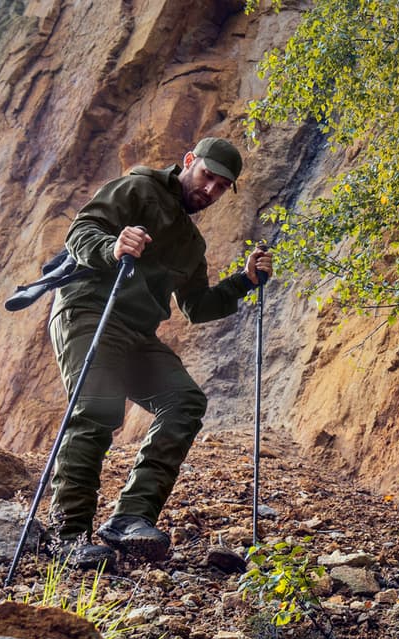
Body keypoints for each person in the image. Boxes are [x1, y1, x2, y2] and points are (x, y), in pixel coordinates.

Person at [46, 136, 271, 567]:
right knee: (97, 410)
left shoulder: (191, 244)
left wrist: (244, 281)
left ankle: (130, 518)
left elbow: (198, 306)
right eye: (207, 176)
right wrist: (112, 246)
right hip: (90, 311)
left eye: (222, 187)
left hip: (136, 333)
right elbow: (81, 230)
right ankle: (68, 535)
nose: (210, 190)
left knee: (184, 401)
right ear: (189, 161)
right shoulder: (138, 188)